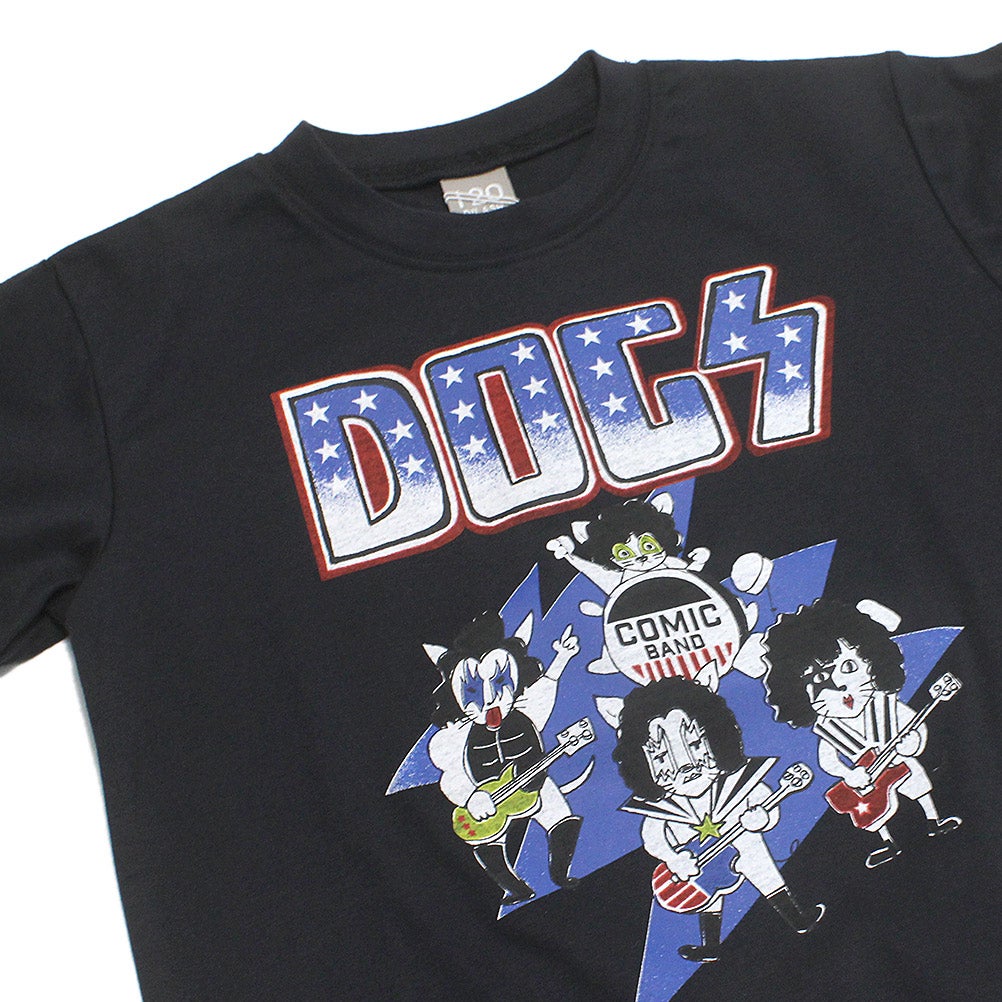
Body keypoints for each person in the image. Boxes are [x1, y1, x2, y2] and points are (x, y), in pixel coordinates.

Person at [610, 677, 823, 963]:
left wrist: (763, 818)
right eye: (661, 756)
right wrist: (673, 859)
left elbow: (765, 803)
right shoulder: (664, 807)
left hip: (745, 842)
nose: (686, 766)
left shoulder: (740, 784)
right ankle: (711, 944)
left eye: (694, 743)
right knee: (709, 891)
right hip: (699, 862)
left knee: (762, 868)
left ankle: (797, 918)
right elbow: (653, 836)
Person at [762, 598, 961, 868]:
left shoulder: (885, 702)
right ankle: (887, 841)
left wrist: (911, 744)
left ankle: (933, 819)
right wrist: (849, 774)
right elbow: (828, 760)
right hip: (866, 775)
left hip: (897, 760)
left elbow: (914, 726)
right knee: (871, 810)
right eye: (819, 681)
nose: (841, 688)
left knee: (917, 781)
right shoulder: (828, 727)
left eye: (849, 668)